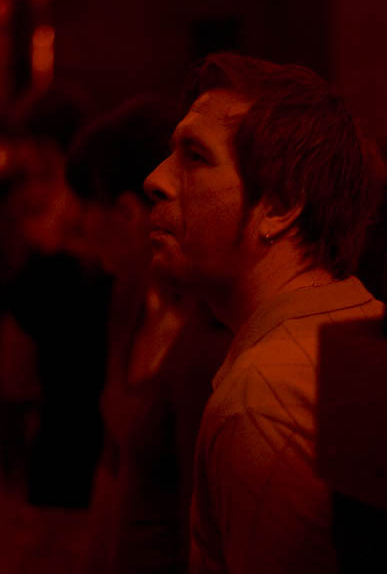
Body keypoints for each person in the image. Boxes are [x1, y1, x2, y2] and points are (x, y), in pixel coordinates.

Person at [143, 52, 385, 573]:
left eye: (195, 157)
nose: (155, 179)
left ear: (279, 206)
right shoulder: (368, 325)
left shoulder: (261, 401)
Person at [65, 96, 232, 574]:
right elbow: (113, 463)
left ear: (126, 213)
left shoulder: (212, 335)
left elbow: (198, 525)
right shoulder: (129, 294)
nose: (78, 229)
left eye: (86, 209)